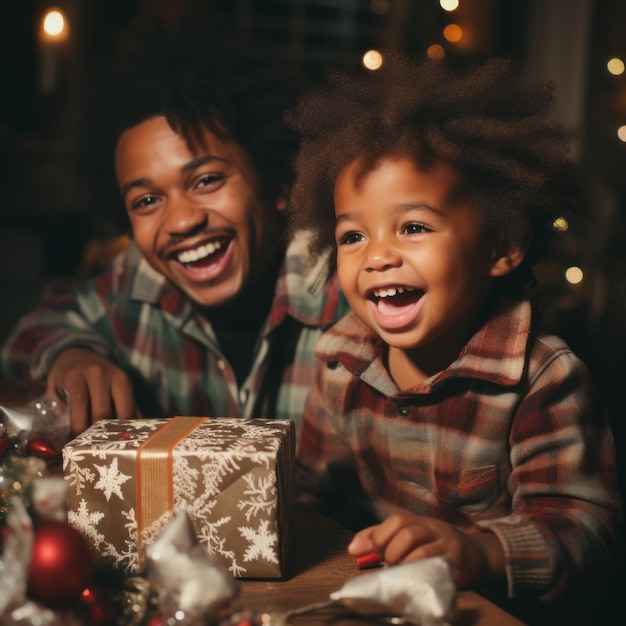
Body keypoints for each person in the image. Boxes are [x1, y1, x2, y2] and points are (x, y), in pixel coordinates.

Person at [286, 53, 623, 623]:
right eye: (352, 236)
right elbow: (309, 498)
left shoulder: (544, 377)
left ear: (501, 247)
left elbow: (583, 528)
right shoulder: (340, 361)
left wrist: (479, 551)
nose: (378, 256)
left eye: (413, 227)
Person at [0, 25, 349, 436]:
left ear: (277, 185)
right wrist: (72, 354)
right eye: (147, 201)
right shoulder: (136, 287)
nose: (182, 222)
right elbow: (32, 331)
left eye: (206, 181)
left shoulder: (352, 292)